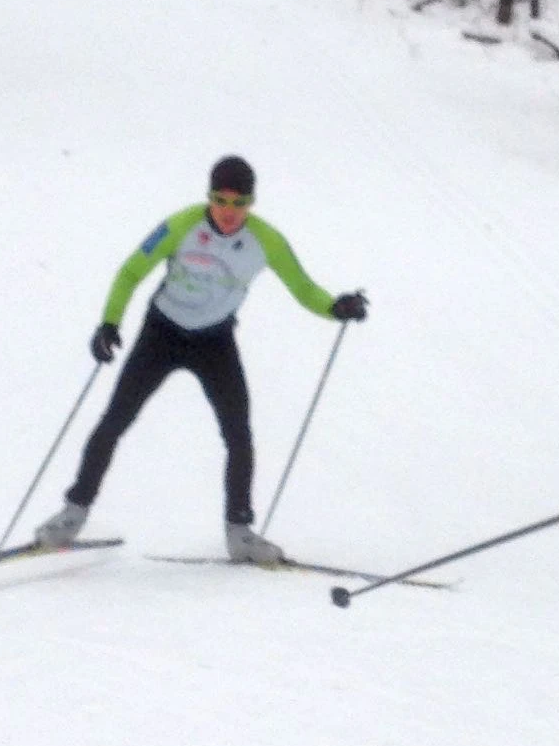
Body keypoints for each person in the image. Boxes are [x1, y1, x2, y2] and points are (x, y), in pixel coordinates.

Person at [35, 156, 366, 563]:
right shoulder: (181, 225)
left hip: (215, 341)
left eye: (239, 203)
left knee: (238, 434)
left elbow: (304, 289)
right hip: (162, 333)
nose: (228, 212)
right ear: (208, 197)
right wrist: (109, 323)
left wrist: (337, 307)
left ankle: (240, 533)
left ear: (252, 202)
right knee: (115, 420)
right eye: (220, 200)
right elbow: (130, 272)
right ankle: (72, 514)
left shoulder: (268, 242)